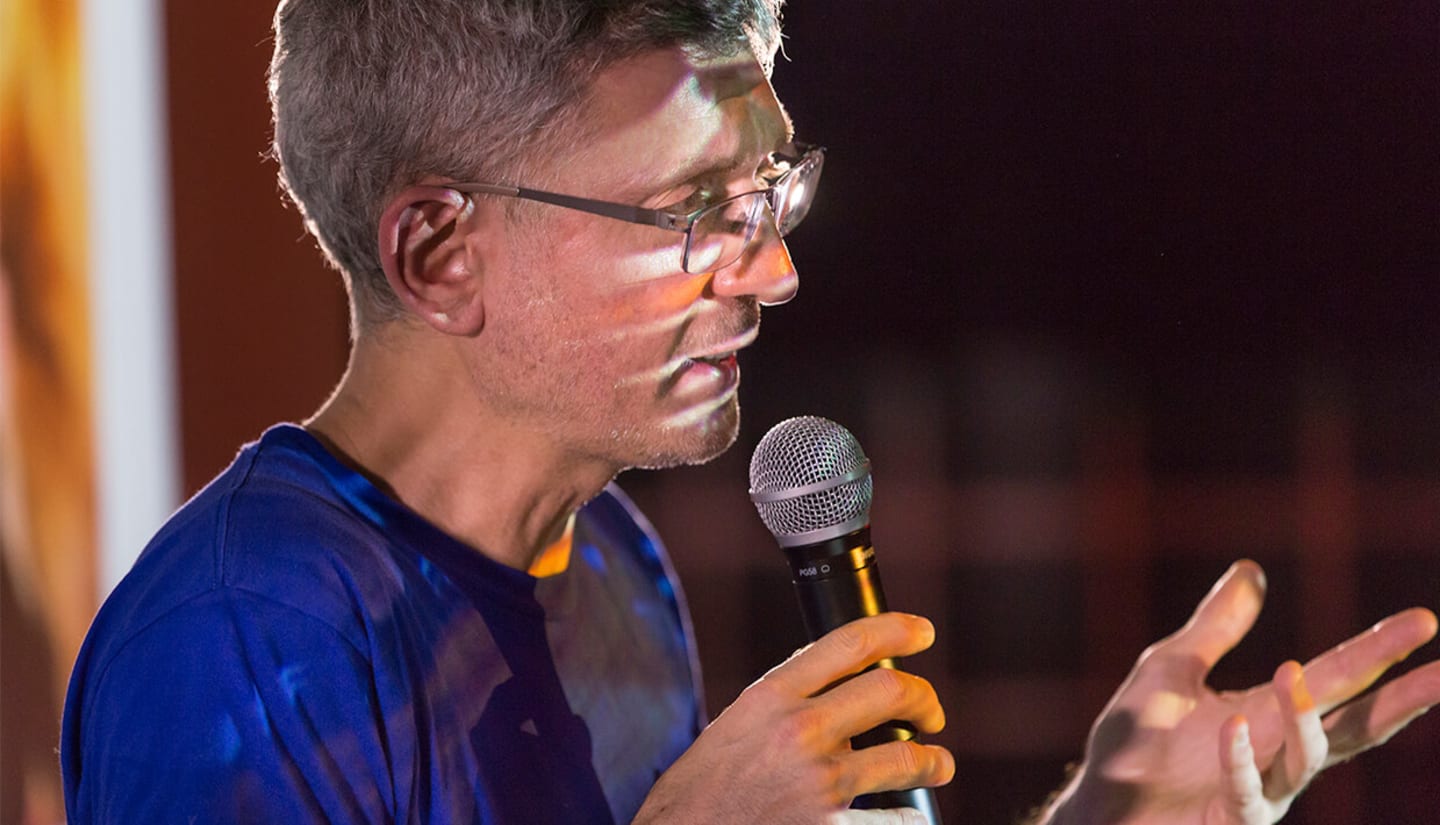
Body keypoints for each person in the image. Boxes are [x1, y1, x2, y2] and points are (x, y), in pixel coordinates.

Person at [60, 1, 1440, 823]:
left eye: (770, 193)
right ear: (439, 252)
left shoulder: (613, 565)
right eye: (694, 213)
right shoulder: (243, 643)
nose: (774, 273)